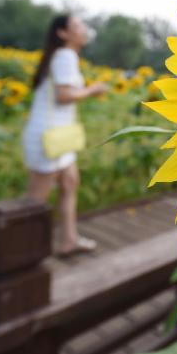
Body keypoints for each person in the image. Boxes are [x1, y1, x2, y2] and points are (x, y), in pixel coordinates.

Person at [22, 15, 107, 256]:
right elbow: (64, 96)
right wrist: (93, 90)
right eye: (78, 26)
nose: (84, 30)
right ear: (62, 33)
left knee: (70, 182)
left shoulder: (63, 56)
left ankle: (69, 239)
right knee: (33, 201)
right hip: (48, 137)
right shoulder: (66, 56)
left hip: (58, 136)